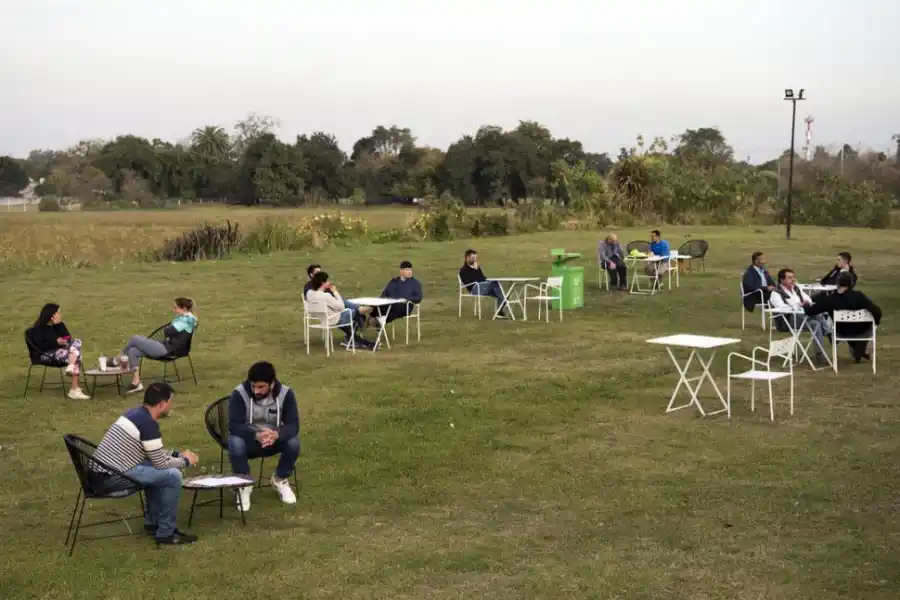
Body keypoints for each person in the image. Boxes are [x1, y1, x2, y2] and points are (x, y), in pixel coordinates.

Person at [91, 382, 199, 545]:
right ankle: (166, 533)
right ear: (162, 404)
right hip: (110, 479)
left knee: (155, 470)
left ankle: (153, 523)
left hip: (102, 474)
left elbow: (152, 453)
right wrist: (185, 461)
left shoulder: (135, 414)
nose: (171, 405)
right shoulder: (148, 424)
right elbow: (161, 463)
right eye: (170, 401)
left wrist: (177, 454)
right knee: (173, 476)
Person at [228, 361, 301, 512]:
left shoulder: (286, 394)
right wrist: (256, 435)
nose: (256, 391)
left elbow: (293, 425)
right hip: (250, 440)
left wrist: (278, 434)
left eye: (261, 387)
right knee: (234, 442)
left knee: (293, 443)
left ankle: (279, 479)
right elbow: (234, 425)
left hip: (274, 439)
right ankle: (244, 484)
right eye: (253, 386)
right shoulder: (239, 394)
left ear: (272, 384)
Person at [114, 297, 198, 394]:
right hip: (165, 346)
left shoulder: (187, 320)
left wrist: (172, 326)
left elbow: (168, 331)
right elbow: (169, 331)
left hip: (168, 350)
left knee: (134, 338)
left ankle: (116, 360)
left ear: (183, 308)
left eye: (175, 308)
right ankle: (136, 383)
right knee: (133, 350)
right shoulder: (183, 318)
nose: (173, 310)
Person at [804, 272, 882, 363]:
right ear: (851, 283)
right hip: (862, 330)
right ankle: (858, 346)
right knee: (858, 327)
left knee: (846, 327)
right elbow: (876, 311)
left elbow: (810, 311)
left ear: (837, 283)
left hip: (841, 331)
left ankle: (856, 347)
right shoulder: (859, 296)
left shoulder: (831, 299)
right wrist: (875, 323)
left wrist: (806, 304)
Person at [768, 268, 831, 365]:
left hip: (804, 317)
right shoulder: (776, 293)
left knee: (816, 324)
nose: (793, 280)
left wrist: (804, 303)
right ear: (782, 280)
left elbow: (809, 300)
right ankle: (828, 332)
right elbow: (782, 309)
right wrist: (799, 304)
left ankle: (819, 354)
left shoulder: (797, 288)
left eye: (793, 277)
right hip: (788, 320)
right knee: (818, 313)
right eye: (789, 278)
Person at [28, 303, 89, 399]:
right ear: (52, 315)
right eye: (58, 313)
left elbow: (68, 340)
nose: (60, 315)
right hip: (43, 355)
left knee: (76, 342)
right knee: (77, 355)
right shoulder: (34, 331)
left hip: (60, 353)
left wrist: (59, 324)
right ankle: (74, 389)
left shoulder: (55, 327)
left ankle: (71, 368)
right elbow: (39, 346)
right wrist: (56, 342)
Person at [305, 270, 375, 349]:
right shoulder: (326, 296)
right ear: (323, 283)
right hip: (334, 319)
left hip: (323, 318)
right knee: (356, 314)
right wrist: (335, 292)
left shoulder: (309, 293)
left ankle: (361, 341)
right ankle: (362, 324)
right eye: (327, 281)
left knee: (352, 319)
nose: (328, 282)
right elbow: (341, 306)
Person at [304, 263, 369, 326]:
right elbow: (339, 305)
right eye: (317, 272)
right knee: (355, 312)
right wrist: (335, 292)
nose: (320, 274)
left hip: (331, 305)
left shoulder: (313, 290)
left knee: (356, 313)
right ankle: (366, 311)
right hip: (331, 307)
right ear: (311, 274)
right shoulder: (311, 287)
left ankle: (354, 332)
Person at [458, 249, 510, 318]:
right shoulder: (464, 270)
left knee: (497, 286)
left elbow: (482, 278)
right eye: (473, 258)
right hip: (474, 289)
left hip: (483, 287)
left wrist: (484, 279)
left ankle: (502, 304)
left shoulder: (476, 267)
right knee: (497, 287)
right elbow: (469, 283)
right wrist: (475, 270)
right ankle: (503, 302)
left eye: (475, 258)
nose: (475, 260)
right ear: (467, 258)